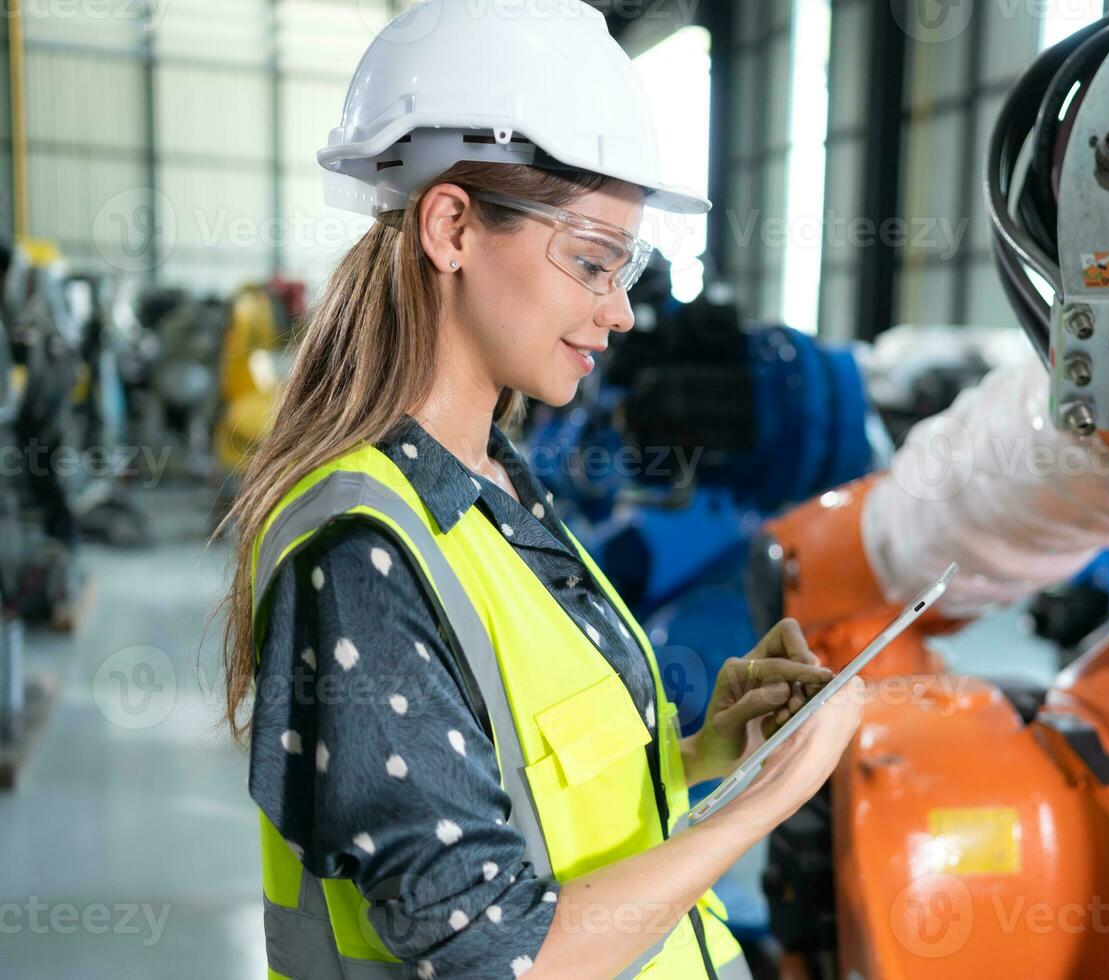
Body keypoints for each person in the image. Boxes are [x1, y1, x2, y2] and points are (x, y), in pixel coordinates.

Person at [216, 2, 863, 976]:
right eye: (594, 260)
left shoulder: (495, 488)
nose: (621, 308)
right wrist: (772, 800)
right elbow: (500, 955)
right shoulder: (361, 557)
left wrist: (698, 752)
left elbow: (503, 794)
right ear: (452, 228)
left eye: (628, 265)